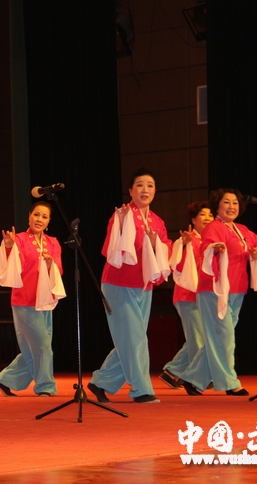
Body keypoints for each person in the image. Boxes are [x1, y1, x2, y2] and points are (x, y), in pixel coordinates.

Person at [178, 189, 257, 396]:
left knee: (219, 337)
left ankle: (193, 378)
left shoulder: (241, 230)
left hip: (237, 290)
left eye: (235, 203)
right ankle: (230, 382)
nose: (232, 206)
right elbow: (206, 248)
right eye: (227, 202)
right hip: (215, 290)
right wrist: (216, 249)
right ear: (217, 206)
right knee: (224, 338)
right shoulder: (214, 227)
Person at [87, 168, 172, 404]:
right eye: (140, 185)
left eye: (150, 185)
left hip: (144, 285)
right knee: (135, 339)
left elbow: (166, 247)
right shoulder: (122, 214)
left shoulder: (157, 221)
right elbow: (112, 248)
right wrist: (123, 224)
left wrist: (156, 243)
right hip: (118, 284)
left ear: (155, 191)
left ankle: (101, 381)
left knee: (132, 338)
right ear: (131, 191)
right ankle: (141, 389)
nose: (145, 189)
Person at [0, 201, 65, 397]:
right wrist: (9, 247)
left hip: (46, 301)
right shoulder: (19, 240)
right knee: (42, 345)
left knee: (37, 346)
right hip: (24, 301)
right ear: (29, 216)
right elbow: (12, 268)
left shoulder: (53, 243)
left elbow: (59, 270)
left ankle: (7, 379)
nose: (39, 219)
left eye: (44, 217)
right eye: (36, 215)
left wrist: (50, 265)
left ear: (48, 221)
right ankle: (45, 386)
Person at [159, 201, 213, 390]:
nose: (208, 218)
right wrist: (183, 244)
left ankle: (172, 371)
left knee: (197, 338)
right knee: (198, 339)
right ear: (193, 220)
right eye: (203, 215)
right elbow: (177, 266)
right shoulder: (189, 240)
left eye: (210, 215)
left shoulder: (209, 242)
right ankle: (197, 377)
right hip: (187, 296)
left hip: (202, 296)